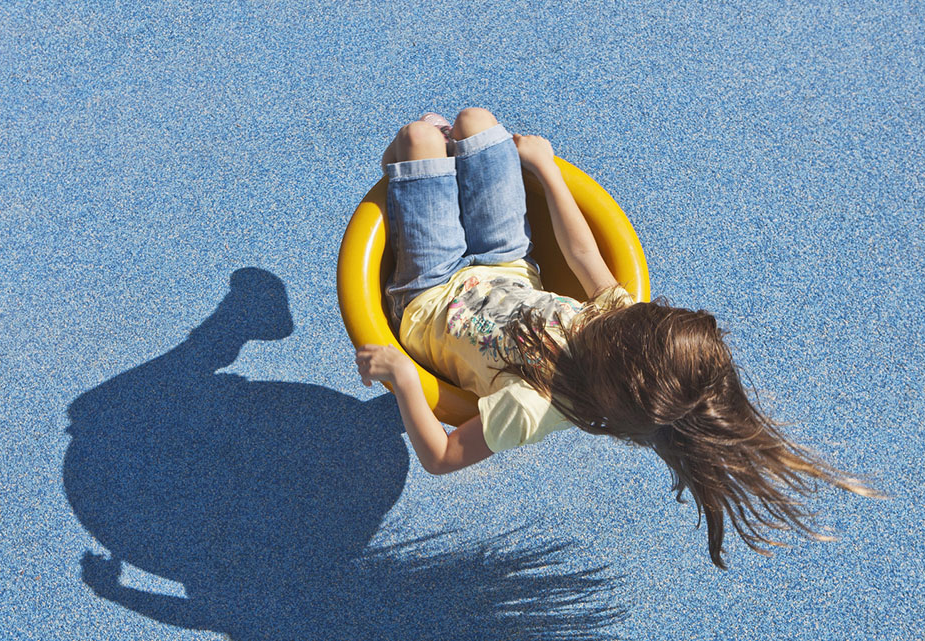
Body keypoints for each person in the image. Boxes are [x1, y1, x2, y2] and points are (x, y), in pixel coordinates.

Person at [355, 108, 881, 569]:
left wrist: (404, 377)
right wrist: (546, 168)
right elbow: (583, 256)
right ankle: (430, 167)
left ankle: (408, 163)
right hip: (505, 263)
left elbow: (442, 456)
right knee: (477, 122)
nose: (635, 311)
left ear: (621, 366)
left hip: (428, 295)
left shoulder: (537, 403)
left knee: (419, 140)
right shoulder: (619, 325)